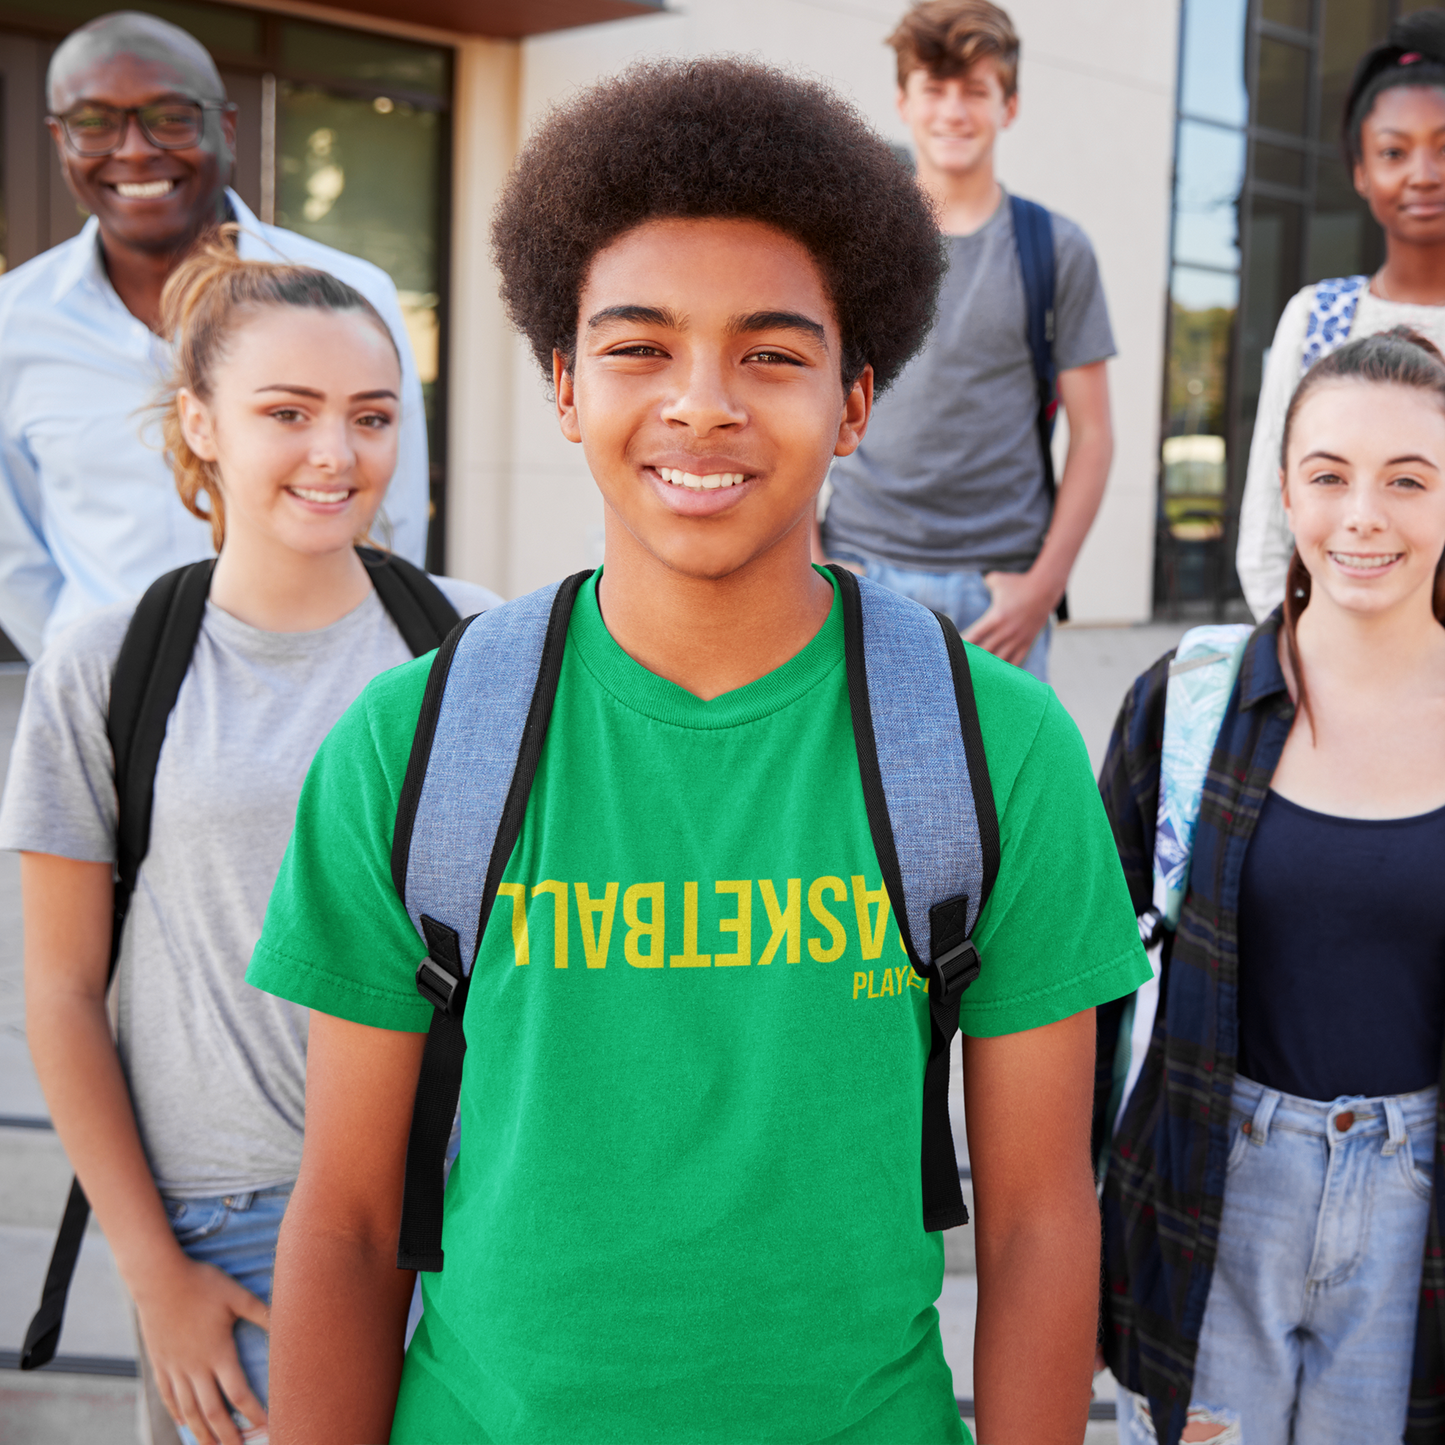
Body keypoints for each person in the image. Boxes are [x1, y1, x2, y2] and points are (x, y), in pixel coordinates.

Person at [246, 56, 1149, 1445]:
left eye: (773, 353)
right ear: (561, 383)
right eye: (638, 346)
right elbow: (352, 1221)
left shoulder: (991, 747)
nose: (703, 403)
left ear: (854, 401)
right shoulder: (414, 744)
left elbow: (1035, 1219)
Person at [0, 239, 496, 1445]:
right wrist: (153, 1268)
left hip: (476, 1209)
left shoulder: (479, 643)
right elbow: (63, 995)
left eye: (370, 417)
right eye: (289, 412)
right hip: (231, 1226)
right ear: (201, 424)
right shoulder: (107, 663)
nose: (337, 452)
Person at [1099, 328, 1445, 1443]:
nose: (1362, 517)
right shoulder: (1189, 701)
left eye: (1407, 479)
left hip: (1415, 1215)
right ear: (1283, 489)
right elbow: (1090, 978)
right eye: (1328, 475)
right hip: (1216, 1185)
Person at [0, 9, 432, 662]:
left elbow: (387, 518)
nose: (135, 149)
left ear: (225, 128)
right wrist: (85, 674)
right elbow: (14, 555)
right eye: (94, 122)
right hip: (111, 708)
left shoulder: (350, 295)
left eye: (170, 116)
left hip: (321, 689)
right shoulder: (12, 324)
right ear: (59, 141)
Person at [816, 0, 1114, 682]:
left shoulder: (1055, 250)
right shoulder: (857, 249)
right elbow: (808, 399)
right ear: (902, 101)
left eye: (974, 91)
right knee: (855, 790)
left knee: (995, 790)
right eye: (934, 88)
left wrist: (1043, 586)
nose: (953, 111)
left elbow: (1094, 436)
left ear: (1007, 106)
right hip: (860, 572)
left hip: (998, 593)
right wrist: (813, 556)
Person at [1237, 10, 1445, 620]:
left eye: (1443, 147)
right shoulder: (1317, 317)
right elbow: (1265, 531)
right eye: (1393, 151)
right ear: (1360, 170)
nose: (1422, 174)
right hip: (1325, 667)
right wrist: (1300, 657)